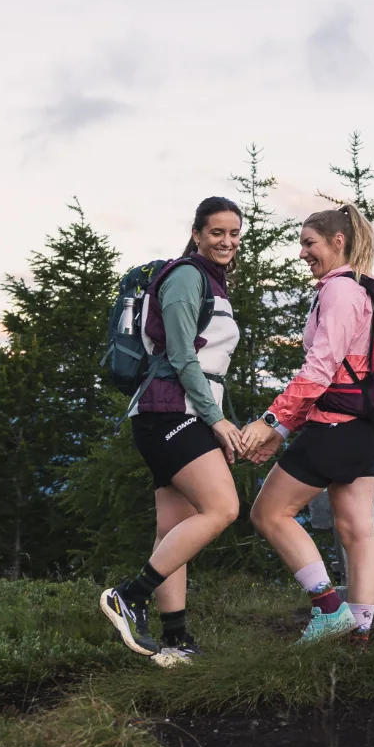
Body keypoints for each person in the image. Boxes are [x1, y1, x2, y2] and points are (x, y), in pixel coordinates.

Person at [98, 197, 246, 666]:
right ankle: (129, 596)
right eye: (217, 232)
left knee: (174, 528)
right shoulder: (186, 276)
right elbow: (182, 356)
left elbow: (204, 361)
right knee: (223, 508)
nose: (226, 241)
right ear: (197, 234)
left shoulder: (212, 281)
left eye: (234, 233)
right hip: (169, 411)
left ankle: (176, 640)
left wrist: (216, 418)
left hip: (179, 411)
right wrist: (216, 419)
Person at [236, 203, 374, 646]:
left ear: (338, 242)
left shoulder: (339, 292)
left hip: (336, 428)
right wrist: (283, 431)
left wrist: (272, 421)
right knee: (357, 530)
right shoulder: (364, 291)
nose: (302, 253)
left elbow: (320, 372)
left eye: (309, 243)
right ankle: (359, 638)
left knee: (269, 513)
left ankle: (329, 611)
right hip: (367, 428)